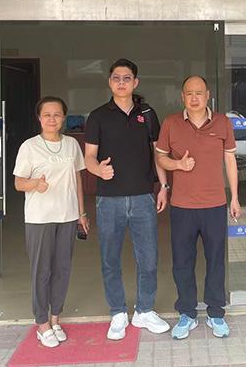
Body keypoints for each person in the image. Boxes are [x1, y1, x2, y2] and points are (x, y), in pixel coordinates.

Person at [84, 58, 170, 340]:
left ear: (136, 82)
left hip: (143, 197)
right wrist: (98, 170)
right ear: (110, 82)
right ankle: (118, 312)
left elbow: (158, 153)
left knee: (149, 259)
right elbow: (89, 157)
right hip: (109, 200)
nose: (121, 82)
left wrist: (163, 186)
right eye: (116, 78)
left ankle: (144, 310)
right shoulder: (98, 116)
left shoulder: (147, 113)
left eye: (127, 78)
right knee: (110, 259)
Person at [155, 75, 241, 340]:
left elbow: (230, 161)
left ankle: (216, 313)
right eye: (189, 93)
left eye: (199, 93)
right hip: (182, 206)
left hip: (215, 204)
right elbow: (160, 158)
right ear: (182, 96)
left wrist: (235, 197)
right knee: (182, 262)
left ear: (207, 96)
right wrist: (178, 166)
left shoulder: (222, 123)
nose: (194, 98)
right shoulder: (170, 123)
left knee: (215, 260)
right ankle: (187, 313)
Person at [13, 96, 88, 348]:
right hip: (39, 219)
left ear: (64, 117)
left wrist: (81, 213)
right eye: (47, 114)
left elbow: (77, 179)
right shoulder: (29, 147)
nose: (52, 119)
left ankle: (55, 318)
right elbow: (18, 183)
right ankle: (41, 322)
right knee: (42, 271)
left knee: (62, 269)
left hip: (67, 216)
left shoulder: (71, 145)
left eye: (57, 114)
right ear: (39, 118)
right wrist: (35, 184)